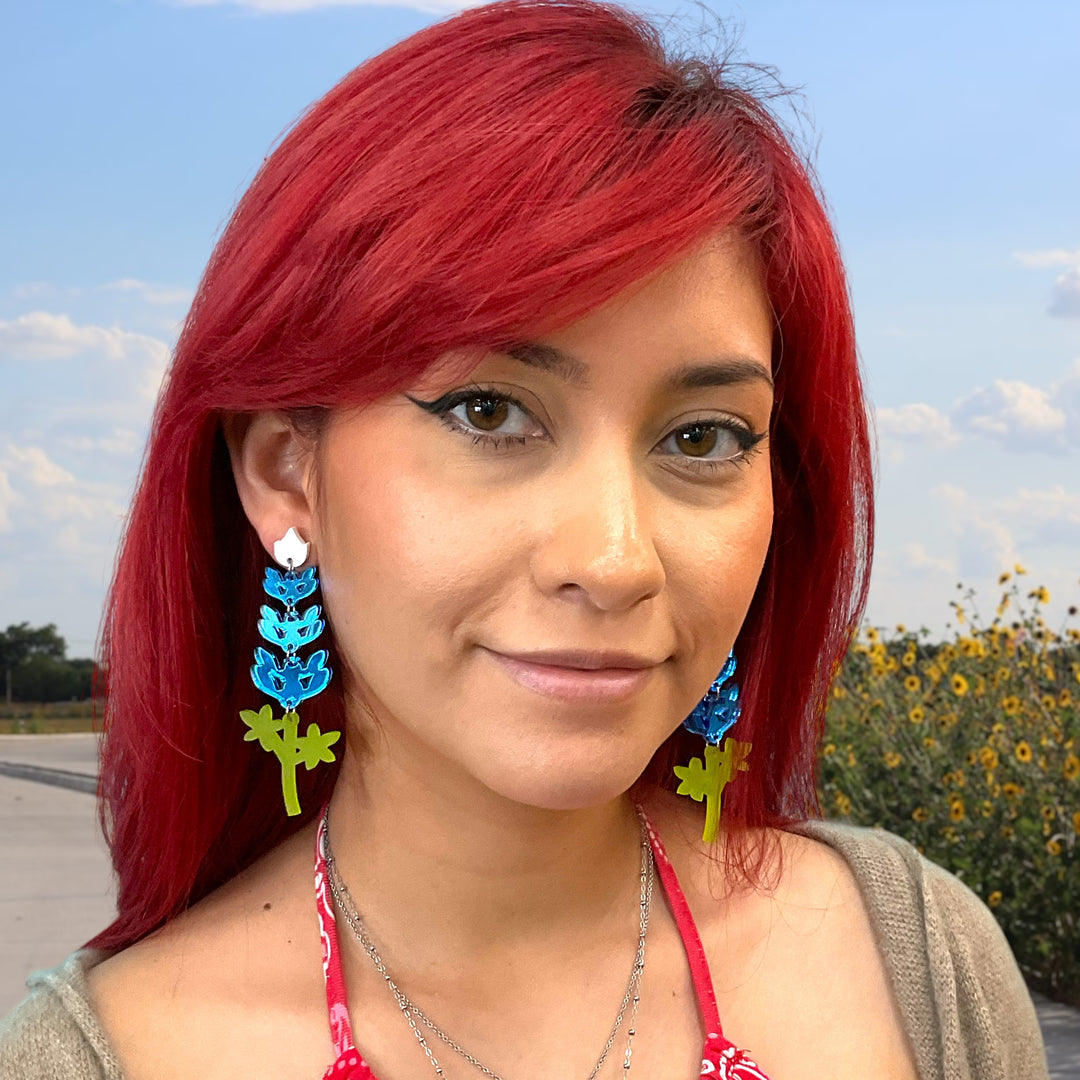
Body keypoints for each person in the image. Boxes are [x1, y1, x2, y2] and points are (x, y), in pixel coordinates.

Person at [0, 1, 1049, 1077]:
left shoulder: (917, 963)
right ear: (285, 472)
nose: (612, 560)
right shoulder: (104, 1054)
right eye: (489, 412)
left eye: (704, 435)